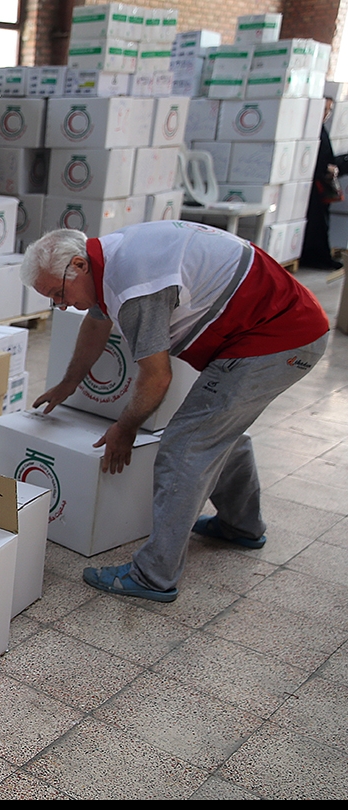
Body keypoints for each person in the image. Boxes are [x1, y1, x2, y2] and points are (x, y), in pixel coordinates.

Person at [22, 222, 329, 603]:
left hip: (280, 337)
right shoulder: (110, 254)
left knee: (186, 445)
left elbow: (156, 376)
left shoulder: (136, 286)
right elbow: (98, 320)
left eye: (58, 293)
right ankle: (241, 525)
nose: (61, 305)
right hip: (276, 325)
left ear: (79, 266)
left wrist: (125, 427)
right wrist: (69, 383)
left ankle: (154, 576)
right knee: (217, 429)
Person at [300, 95, 348, 271]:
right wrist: (326, 168)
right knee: (316, 223)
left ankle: (320, 256)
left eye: (329, 110)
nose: (326, 114)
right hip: (313, 185)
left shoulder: (320, 129)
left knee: (321, 222)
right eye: (324, 109)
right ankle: (315, 257)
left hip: (321, 183)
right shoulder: (311, 131)